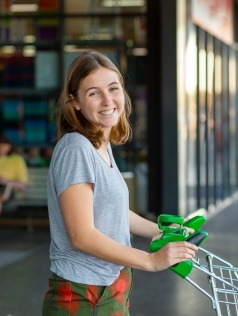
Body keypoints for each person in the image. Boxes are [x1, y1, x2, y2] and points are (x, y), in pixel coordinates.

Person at [42, 51, 197, 316]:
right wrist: (149, 261)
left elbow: (110, 211)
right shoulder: (76, 148)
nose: (107, 100)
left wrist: (159, 231)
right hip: (84, 293)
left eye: (113, 88)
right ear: (75, 102)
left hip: (110, 284)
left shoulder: (100, 145)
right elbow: (82, 236)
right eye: (93, 93)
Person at [0, 134, 29, 215]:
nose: (1, 150)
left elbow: (23, 184)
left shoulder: (17, 159)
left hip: (8, 190)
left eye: (4, 147)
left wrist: (6, 181)